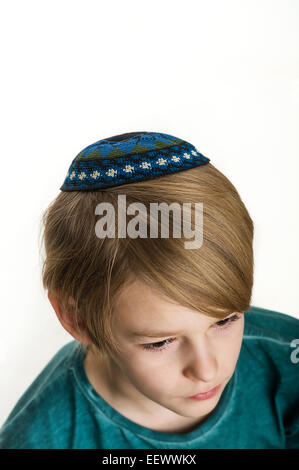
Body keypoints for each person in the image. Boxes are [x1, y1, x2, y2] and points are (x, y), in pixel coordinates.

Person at [0, 131, 298, 449]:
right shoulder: (39, 439)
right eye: (160, 342)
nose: (207, 369)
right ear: (78, 318)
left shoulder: (287, 364)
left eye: (224, 320)